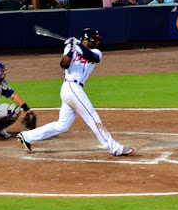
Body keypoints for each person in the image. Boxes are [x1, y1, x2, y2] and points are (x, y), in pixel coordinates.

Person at [16, 28, 136, 156]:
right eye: (95, 39)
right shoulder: (70, 48)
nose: (97, 42)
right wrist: (72, 49)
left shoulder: (96, 52)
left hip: (75, 89)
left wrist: (77, 44)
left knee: (62, 125)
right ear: (88, 39)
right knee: (92, 118)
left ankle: (27, 136)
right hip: (70, 87)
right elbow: (64, 64)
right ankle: (115, 148)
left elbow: (92, 57)